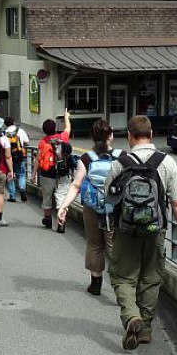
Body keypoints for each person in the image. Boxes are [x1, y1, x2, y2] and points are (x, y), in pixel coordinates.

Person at [104, 115, 177, 350]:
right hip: (155, 230)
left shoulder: (119, 163)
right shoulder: (167, 162)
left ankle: (131, 316)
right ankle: (144, 330)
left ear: (129, 136)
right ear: (151, 135)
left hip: (126, 230)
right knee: (151, 278)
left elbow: (109, 197)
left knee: (122, 277)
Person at [57, 119, 123, 296]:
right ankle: (122, 288)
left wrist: (63, 207)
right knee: (115, 245)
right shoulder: (122, 156)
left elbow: (76, 185)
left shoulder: (86, 158)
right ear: (110, 136)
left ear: (92, 138)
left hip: (92, 207)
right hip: (115, 208)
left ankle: (95, 284)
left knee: (94, 244)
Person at [31, 109, 71, 233]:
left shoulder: (42, 142)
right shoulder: (63, 137)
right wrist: (66, 117)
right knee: (61, 197)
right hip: (62, 172)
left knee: (47, 196)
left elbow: (38, 159)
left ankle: (47, 219)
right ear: (55, 128)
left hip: (47, 174)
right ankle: (61, 223)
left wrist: (33, 174)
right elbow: (68, 128)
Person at [4, 116, 30, 202]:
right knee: (21, 174)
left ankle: (12, 196)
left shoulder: (5, 133)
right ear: (13, 122)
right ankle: (22, 188)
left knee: (10, 174)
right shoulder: (20, 131)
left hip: (9, 156)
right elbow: (27, 143)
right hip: (19, 156)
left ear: (5, 124)